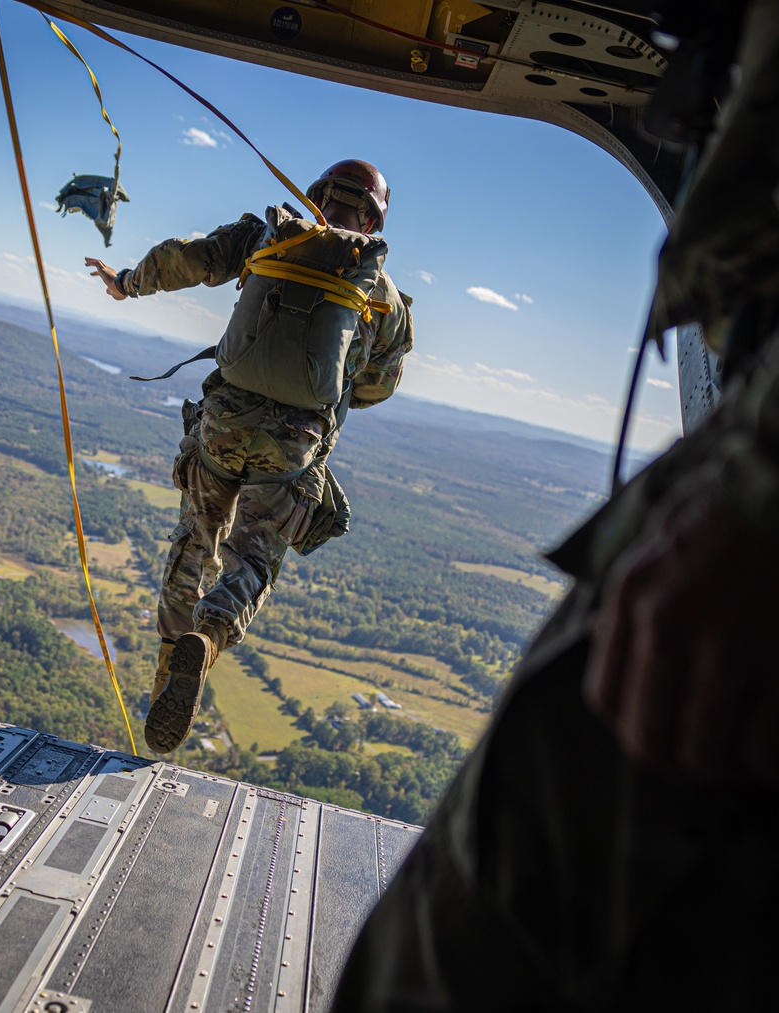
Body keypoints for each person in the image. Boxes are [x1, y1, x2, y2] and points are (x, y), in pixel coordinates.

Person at [330, 1, 779, 1009]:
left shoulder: (336, 275)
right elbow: (372, 376)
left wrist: (761, 486)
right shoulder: (339, 274)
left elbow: (371, 373)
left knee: (489, 925)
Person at [86, 160, 413, 754]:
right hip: (293, 447)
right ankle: (207, 642)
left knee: (195, 544)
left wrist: (126, 282)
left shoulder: (269, 236)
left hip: (223, 426)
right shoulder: (383, 294)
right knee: (253, 558)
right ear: (374, 217)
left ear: (318, 197)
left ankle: (166, 674)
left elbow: (187, 257)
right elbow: (375, 388)